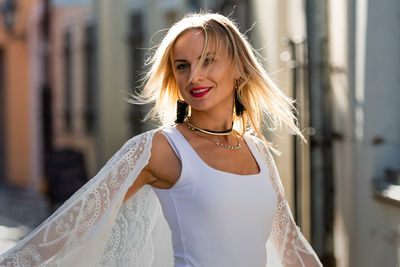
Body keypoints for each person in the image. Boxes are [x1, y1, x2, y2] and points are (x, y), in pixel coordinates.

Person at [0, 12, 322, 267]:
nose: (194, 76)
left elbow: (291, 247)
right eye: (183, 66)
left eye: (208, 60)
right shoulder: (160, 149)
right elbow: (76, 220)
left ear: (238, 67)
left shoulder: (259, 153)